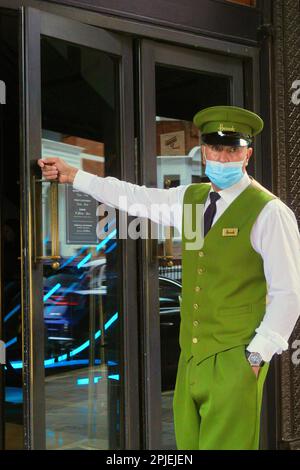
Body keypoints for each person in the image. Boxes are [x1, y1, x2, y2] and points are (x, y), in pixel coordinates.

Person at [38, 105, 300, 450]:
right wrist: (75, 176)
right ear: (205, 151)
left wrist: (256, 356)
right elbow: (135, 198)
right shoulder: (191, 200)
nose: (222, 158)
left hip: (235, 355)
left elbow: (288, 293)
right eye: (215, 149)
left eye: (232, 150)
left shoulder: (269, 211)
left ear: (246, 154)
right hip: (191, 354)